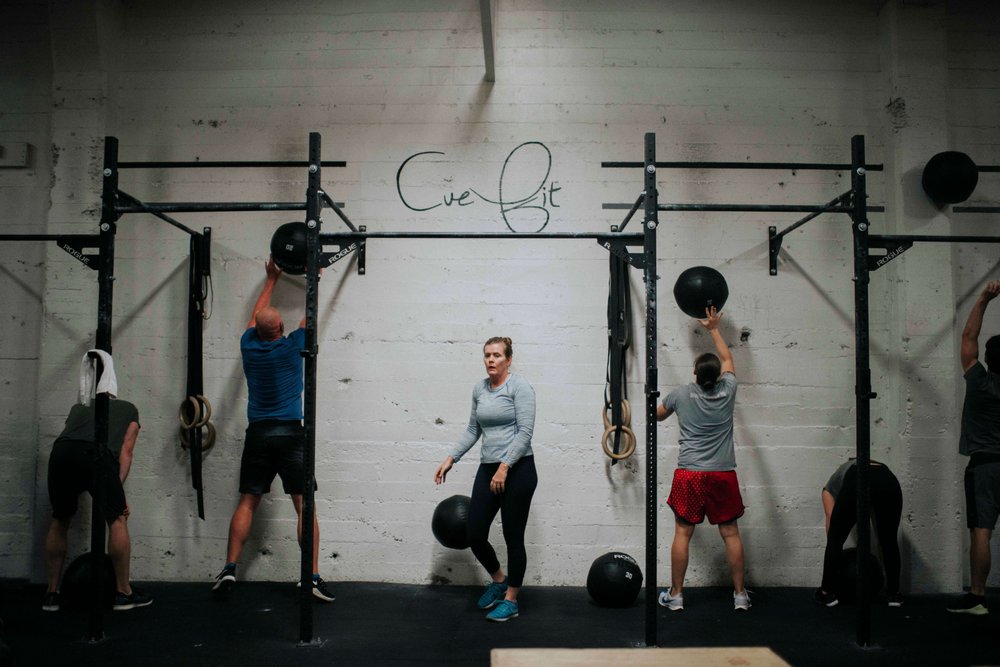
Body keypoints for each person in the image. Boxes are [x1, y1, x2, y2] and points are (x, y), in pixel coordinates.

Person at [212, 258, 334, 602]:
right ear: (282, 328)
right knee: (304, 504)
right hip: (290, 434)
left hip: (259, 434)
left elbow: (256, 318)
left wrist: (270, 279)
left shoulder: (248, 345)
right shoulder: (295, 345)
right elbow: (308, 317)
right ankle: (311, 577)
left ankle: (229, 568)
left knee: (248, 501)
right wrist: (313, 280)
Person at [434, 337, 537, 622]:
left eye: (497, 355)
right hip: (489, 469)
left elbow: (525, 432)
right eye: (487, 355)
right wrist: (451, 458)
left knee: (513, 537)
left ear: (508, 359)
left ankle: (512, 599)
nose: (491, 360)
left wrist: (505, 467)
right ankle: (499, 580)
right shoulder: (480, 389)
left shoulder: (520, 387)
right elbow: (472, 429)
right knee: (474, 533)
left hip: (518, 470)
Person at [657, 306, 750, 612]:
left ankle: (676, 595)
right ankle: (740, 596)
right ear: (719, 376)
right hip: (722, 473)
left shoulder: (680, 394)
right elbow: (727, 359)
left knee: (683, 533)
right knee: (730, 533)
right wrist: (713, 329)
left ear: (695, 374)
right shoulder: (728, 389)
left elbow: (656, 416)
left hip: (690, 474)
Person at [43, 397, 151, 611]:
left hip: (61, 453)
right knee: (117, 519)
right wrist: (117, 494)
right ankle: (124, 593)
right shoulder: (131, 409)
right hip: (96, 454)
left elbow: (73, 435)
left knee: (60, 519)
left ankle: (51, 594)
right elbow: (126, 452)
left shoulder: (80, 405)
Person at [947, 279, 1000, 616]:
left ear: (988, 360)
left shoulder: (980, 382)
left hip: (985, 467)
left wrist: (984, 299)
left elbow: (968, 338)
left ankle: (978, 597)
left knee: (982, 531)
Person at [813, 459, 903, 607]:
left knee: (835, 539)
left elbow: (831, 524)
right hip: (887, 479)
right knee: (889, 541)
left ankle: (825, 593)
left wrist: (834, 554)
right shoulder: (873, 467)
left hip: (858, 476)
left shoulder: (828, 489)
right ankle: (894, 594)